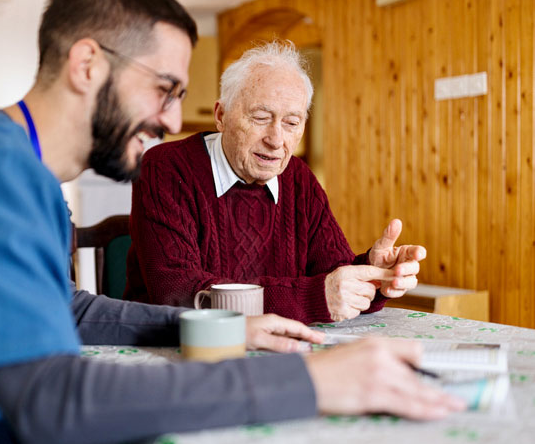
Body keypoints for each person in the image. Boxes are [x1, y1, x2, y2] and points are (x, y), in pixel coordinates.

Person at [0, 0, 463, 444]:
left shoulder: (18, 170)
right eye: (164, 89)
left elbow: (67, 308)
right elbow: (49, 400)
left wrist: (214, 327)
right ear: (88, 64)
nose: (175, 117)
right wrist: (314, 383)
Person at [124, 41, 426, 325]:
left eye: (291, 123)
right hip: (178, 351)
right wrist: (313, 297)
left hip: (275, 349)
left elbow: (332, 275)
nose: (276, 140)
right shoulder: (166, 167)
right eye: (260, 117)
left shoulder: (299, 177)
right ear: (221, 115)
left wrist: (372, 275)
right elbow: (179, 293)